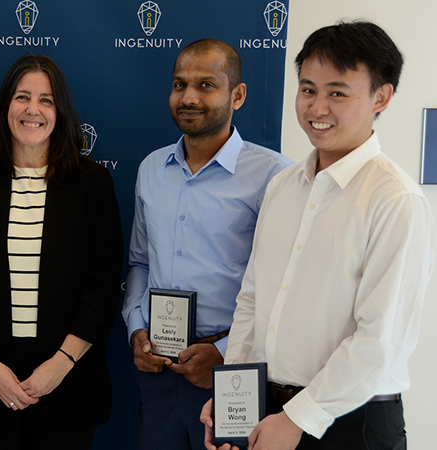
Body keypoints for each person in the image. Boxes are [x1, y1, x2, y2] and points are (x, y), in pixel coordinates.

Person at [201, 21, 435, 450]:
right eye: (308, 90)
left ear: (380, 96)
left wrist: (297, 419)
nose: (317, 107)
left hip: (350, 423)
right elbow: (252, 299)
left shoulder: (395, 198)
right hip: (270, 411)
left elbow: (378, 342)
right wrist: (232, 392)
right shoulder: (282, 186)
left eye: (338, 93)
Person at [0, 54, 123, 449]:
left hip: (67, 388)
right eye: (23, 97)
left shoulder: (92, 184)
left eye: (46, 100)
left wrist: (60, 366)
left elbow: (103, 286)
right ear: (7, 105)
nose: (33, 110)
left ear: (61, 112)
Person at [121, 39, 292, 450]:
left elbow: (286, 285)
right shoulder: (151, 169)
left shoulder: (275, 176)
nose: (189, 97)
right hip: (159, 368)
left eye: (206, 85)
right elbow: (140, 263)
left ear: (238, 94)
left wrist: (223, 350)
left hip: (233, 372)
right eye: (179, 85)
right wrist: (135, 329)